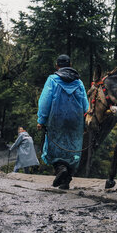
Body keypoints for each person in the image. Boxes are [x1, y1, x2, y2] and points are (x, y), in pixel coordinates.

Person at [37, 54, 88, 189]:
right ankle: (66, 180)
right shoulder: (79, 82)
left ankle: (60, 169)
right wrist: (86, 121)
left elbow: (45, 101)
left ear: (57, 66)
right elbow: (85, 104)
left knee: (54, 146)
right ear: (70, 65)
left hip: (56, 118)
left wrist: (41, 120)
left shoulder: (52, 80)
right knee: (73, 148)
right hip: (76, 120)